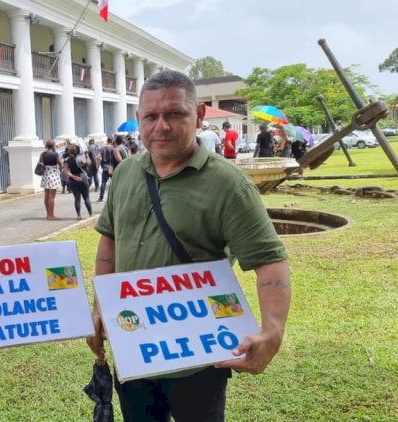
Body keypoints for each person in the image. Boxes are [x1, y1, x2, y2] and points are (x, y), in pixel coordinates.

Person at [86, 70, 291, 422]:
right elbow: (110, 243)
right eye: (151, 116)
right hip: (134, 345)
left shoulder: (228, 185)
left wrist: (272, 332)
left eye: (175, 114)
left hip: (198, 357)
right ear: (139, 120)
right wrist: (100, 306)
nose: (161, 125)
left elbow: (269, 262)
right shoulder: (125, 174)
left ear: (197, 116)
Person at [62, 143, 93, 220]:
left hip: (73, 179)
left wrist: (73, 176)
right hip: (83, 177)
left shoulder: (68, 160)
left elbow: (65, 171)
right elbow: (89, 163)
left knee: (77, 198)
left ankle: (78, 215)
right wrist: (87, 155)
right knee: (86, 197)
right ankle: (90, 214)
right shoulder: (82, 158)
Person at [39, 139, 63, 220]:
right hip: (53, 174)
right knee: (52, 197)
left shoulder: (42, 154)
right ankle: (51, 215)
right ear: (53, 145)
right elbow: (60, 163)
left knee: (46, 196)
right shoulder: (55, 154)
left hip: (46, 174)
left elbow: (41, 163)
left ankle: (48, 214)